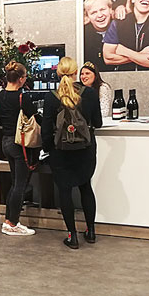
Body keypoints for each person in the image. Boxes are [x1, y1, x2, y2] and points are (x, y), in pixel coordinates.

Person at [41, 57, 103, 250]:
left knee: (65, 191)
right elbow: (98, 123)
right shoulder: (90, 93)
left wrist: (48, 150)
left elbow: (45, 130)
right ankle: (91, 232)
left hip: (60, 152)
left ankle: (72, 236)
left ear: (58, 73)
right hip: (85, 151)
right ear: (76, 73)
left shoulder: (51, 97)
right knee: (86, 187)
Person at [0, 62, 37, 236]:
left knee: (15, 182)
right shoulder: (22, 98)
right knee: (21, 184)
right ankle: (13, 222)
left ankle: (8, 221)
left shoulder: (0, 96)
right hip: (20, 144)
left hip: (6, 142)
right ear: (20, 79)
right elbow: (34, 117)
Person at [83, 0, 114, 71]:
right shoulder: (83, 37)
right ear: (87, 17)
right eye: (93, 13)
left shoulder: (122, 29)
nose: (100, 15)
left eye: (102, 10)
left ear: (110, 10)